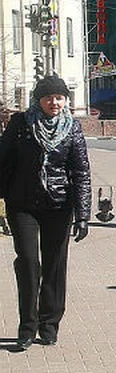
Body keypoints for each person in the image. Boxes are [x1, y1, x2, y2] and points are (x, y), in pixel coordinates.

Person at [0, 75, 91, 351]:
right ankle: (27, 327)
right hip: (23, 204)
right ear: (38, 99)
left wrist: (83, 213)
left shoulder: (72, 128)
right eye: (49, 97)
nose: (54, 102)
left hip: (59, 205)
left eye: (59, 97)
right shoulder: (20, 125)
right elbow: (2, 163)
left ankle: (49, 324)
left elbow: (81, 171)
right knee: (28, 262)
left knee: (54, 264)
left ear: (66, 100)